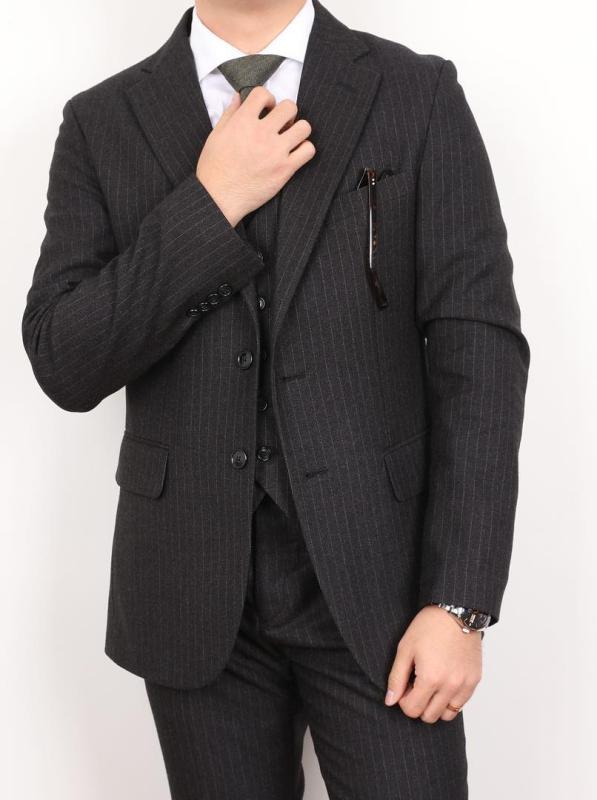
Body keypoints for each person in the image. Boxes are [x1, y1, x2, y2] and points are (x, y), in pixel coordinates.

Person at [20, 0, 530, 796]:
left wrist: (459, 600)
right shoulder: (102, 121)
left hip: (385, 583)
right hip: (189, 585)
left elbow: (480, 357)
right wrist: (211, 202)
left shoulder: (415, 93)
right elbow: (65, 362)